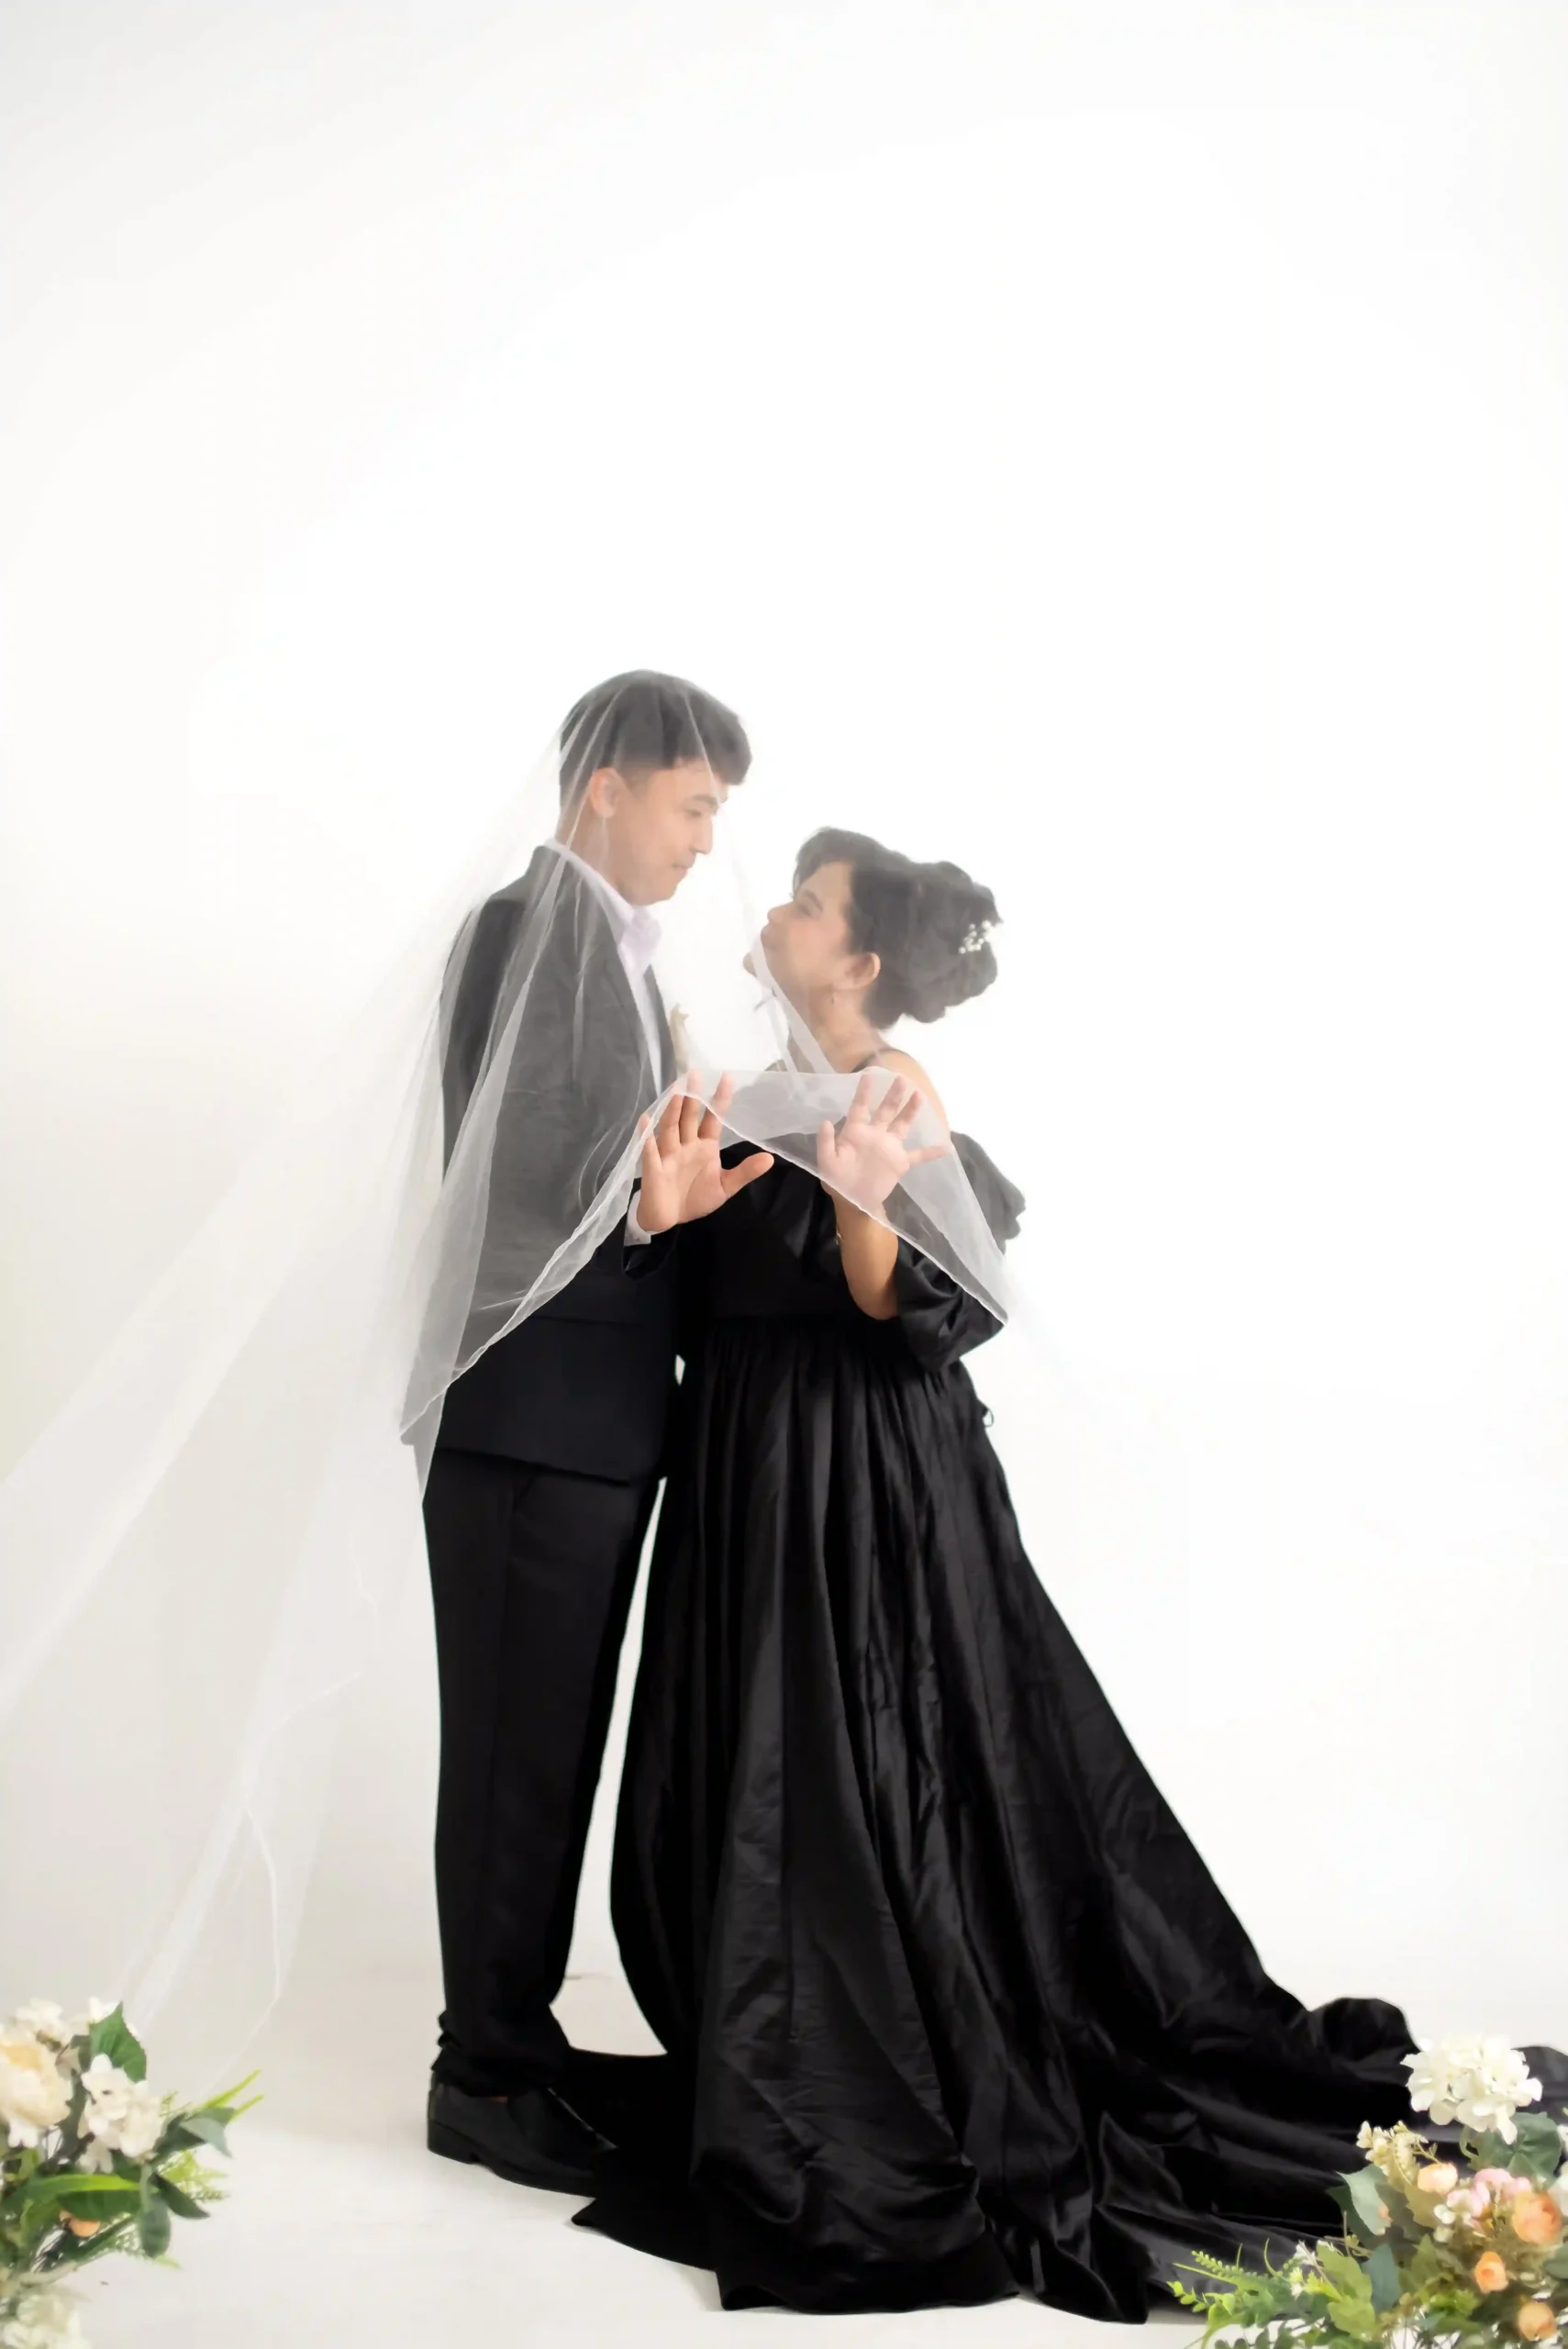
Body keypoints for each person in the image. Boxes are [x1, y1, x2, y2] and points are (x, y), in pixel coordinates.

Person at [575, 830, 1566, 2316]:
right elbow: (696, 1286)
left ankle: (866, 2041)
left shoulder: (894, 1092)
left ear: (858, 960)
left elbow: (905, 1306)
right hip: (747, 1463)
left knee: (869, 1752)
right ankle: (770, 2028)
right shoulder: (753, 1084)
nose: (774, 911)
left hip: (860, 1476)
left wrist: (856, 1191)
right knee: (755, 1750)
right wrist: (663, 1223)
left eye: (808, 903)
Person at [421, 672, 773, 2194]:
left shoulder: (611, 950)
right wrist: (650, 1208)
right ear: (607, 786)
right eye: (692, 804)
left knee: (551, 1749)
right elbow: (508, 1188)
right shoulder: (528, 929)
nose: (705, 840)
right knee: (514, 1754)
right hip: (529, 1423)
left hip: (588, 1425)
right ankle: (480, 2076)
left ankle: (516, 2036)